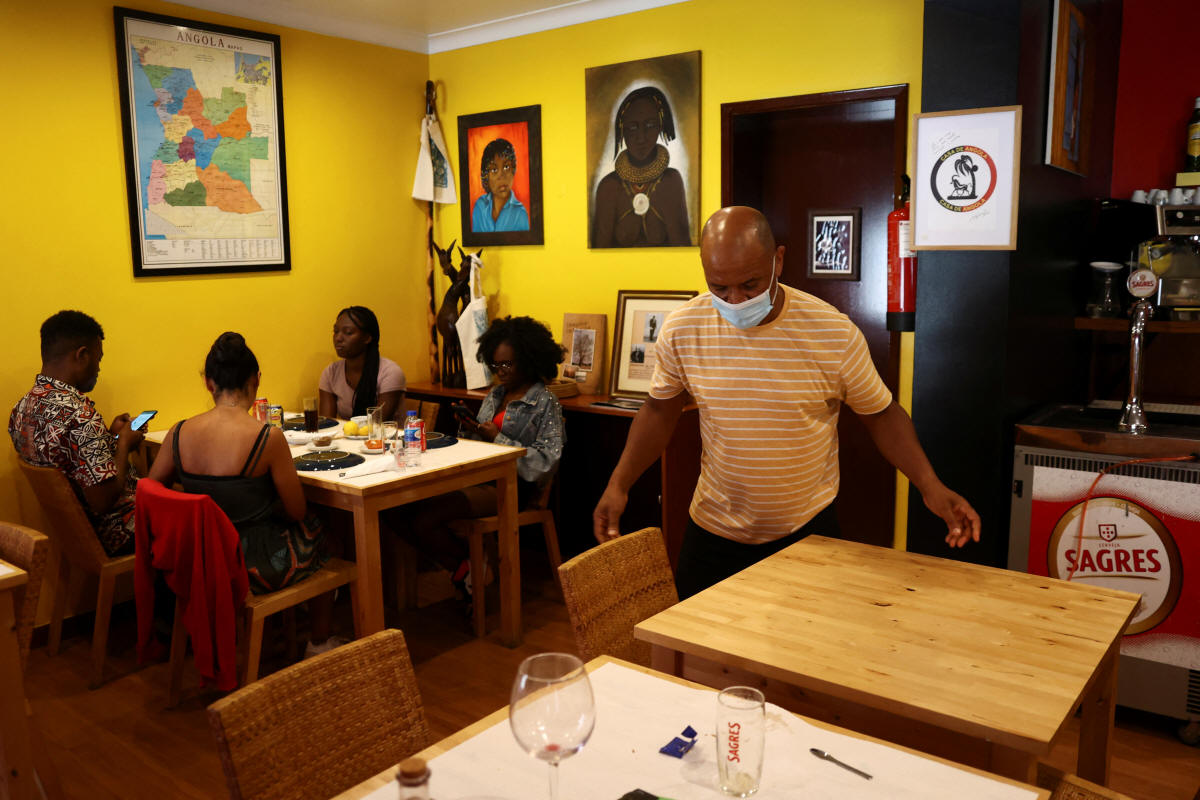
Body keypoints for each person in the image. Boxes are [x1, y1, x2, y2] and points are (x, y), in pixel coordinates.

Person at [593, 206, 981, 599]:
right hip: (714, 533)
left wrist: (929, 485)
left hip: (806, 533)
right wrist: (619, 483)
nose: (735, 300)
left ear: (778, 260)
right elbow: (659, 411)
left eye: (750, 284)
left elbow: (881, 415)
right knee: (692, 638)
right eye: (719, 287)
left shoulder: (832, 333)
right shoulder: (682, 329)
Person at [148, 332, 339, 655]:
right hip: (249, 566)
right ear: (256, 379)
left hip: (197, 561)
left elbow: (153, 492)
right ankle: (319, 641)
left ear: (208, 383)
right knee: (323, 531)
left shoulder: (178, 432)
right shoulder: (267, 437)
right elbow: (296, 510)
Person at [403, 316, 565, 601]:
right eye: (495, 364)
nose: (500, 371)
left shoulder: (544, 401)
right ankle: (469, 568)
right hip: (479, 479)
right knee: (402, 509)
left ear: (528, 360)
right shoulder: (495, 394)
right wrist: (470, 429)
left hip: (512, 487)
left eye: (508, 364)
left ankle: (470, 568)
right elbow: (479, 446)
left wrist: (497, 438)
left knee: (424, 518)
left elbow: (547, 462)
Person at [9, 310, 144, 556]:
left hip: (75, 536)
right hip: (118, 532)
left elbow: (74, 463)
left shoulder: (22, 408)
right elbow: (104, 501)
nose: (99, 368)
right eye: (98, 359)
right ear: (82, 355)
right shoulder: (80, 416)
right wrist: (124, 444)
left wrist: (110, 438)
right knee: (198, 510)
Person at [591, 86, 691, 248]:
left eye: (650, 125)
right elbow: (597, 255)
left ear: (660, 126)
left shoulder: (671, 182)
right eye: (632, 127)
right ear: (622, 131)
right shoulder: (608, 187)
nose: (641, 138)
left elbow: (683, 250)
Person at [319, 306, 405, 422]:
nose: (338, 338)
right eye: (336, 331)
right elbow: (327, 422)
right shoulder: (331, 372)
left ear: (367, 338)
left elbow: (376, 424)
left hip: (385, 433)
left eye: (348, 332)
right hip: (348, 433)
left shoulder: (390, 372)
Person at [471, 138, 530, 233]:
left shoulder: (520, 214)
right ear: (486, 176)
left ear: (513, 170)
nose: (501, 176)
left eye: (506, 167)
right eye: (494, 170)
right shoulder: (480, 206)